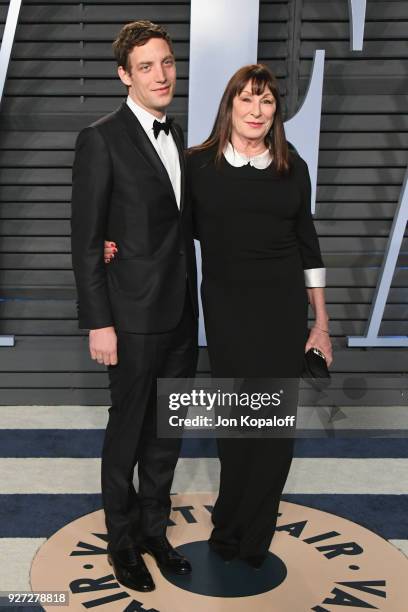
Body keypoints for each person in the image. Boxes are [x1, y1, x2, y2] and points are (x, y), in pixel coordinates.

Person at [104, 64, 332, 569]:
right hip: (227, 313)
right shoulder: (198, 166)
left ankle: (252, 538)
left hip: (281, 313)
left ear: (275, 111)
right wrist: (111, 239)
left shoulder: (291, 166)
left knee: (273, 432)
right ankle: (228, 527)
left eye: (266, 102)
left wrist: (320, 324)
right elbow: (159, 219)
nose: (256, 111)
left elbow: (308, 247)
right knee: (238, 430)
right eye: (246, 100)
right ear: (229, 106)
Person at [70, 20, 198, 592]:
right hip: (128, 317)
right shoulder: (100, 138)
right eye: (146, 66)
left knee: (167, 434)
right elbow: (86, 238)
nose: (161, 74)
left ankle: (153, 531)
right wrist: (100, 321)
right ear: (125, 75)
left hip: (179, 315)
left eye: (167, 62)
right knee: (126, 434)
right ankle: (121, 545)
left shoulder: (181, 135)